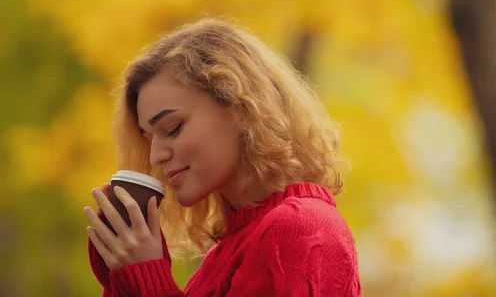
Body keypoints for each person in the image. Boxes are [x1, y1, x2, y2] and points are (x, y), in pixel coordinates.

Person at [84, 18, 362, 296]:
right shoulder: (224, 254)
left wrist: (147, 281)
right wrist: (124, 281)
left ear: (240, 107)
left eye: (172, 128)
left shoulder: (304, 228)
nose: (155, 156)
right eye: (149, 138)